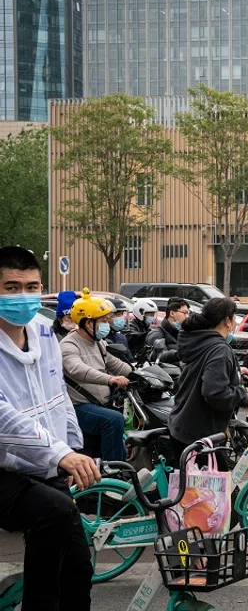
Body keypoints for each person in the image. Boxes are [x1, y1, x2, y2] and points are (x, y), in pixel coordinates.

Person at [0, 246, 97, 611]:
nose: (22, 295)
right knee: (52, 512)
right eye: (11, 287)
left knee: (77, 563)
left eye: (31, 286)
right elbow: (3, 417)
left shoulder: (43, 331)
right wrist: (61, 454)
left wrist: (73, 448)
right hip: (4, 471)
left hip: (44, 464)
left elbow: (58, 396)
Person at [168, 298, 248, 463]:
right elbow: (214, 392)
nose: (236, 322)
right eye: (235, 317)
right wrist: (244, 398)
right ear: (227, 321)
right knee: (215, 487)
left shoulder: (201, 341)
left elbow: (203, 370)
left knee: (204, 487)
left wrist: (236, 371)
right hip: (198, 435)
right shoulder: (219, 350)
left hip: (186, 427)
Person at [60, 289, 132, 462]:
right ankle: (113, 473)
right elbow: (77, 369)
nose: (107, 324)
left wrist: (138, 374)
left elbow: (115, 363)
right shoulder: (69, 345)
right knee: (113, 420)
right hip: (79, 407)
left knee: (119, 436)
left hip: (99, 404)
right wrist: (110, 379)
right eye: (103, 321)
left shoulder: (98, 343)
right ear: (88, 322)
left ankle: (125, 472)